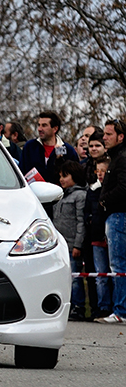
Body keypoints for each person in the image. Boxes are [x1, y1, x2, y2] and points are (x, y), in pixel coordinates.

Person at [95, 119, 126, 324]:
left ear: (120, 137)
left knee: (119, 265)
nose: (104, 138)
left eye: (108, 134)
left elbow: (124, 188)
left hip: (118, 217)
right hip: (116, 217)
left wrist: (104, 201)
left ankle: (120, 311)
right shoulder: (117, 157)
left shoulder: (122, 158)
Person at [52, 160, 88, 321]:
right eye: (60, 176)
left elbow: (81, 221)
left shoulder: (80, 195)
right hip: (60, 245)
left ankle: (78, 306)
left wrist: (78, 244)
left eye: (65, 176)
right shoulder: (60, 195)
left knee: (75, 277)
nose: (61, 179)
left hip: (73, 244)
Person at [85, 156, 113, 319]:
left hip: (110, 235)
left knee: (114, 274)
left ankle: (115, 306)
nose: (100, 174)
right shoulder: (93, 190)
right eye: (98, 171)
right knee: (100, 275)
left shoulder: (113, 191)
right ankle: (103, 307)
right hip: (96, 236)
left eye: (104, 171)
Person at [20, 111, 79, 186]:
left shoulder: (68, 150)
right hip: (33, 194)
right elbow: (21, 172)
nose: (39, 129)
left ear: (55, 129)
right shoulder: (29, 147)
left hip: (60, 195)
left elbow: (75, 177)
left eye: (44, 125)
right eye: (39, 125)